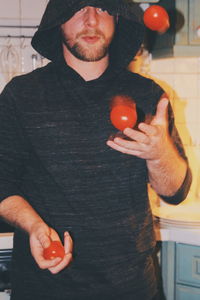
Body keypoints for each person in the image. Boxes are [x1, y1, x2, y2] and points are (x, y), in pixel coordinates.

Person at [0, 0, 192, 299]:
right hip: (45, 285)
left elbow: (175, 192)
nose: (91, 20)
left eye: (102, 8)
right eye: (77, 9)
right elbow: (2, 184)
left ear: (117, 19)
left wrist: (159, 153)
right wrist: (34, 225)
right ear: (58, 21)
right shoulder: (21, 95)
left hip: (131, 287)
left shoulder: (148, 94)